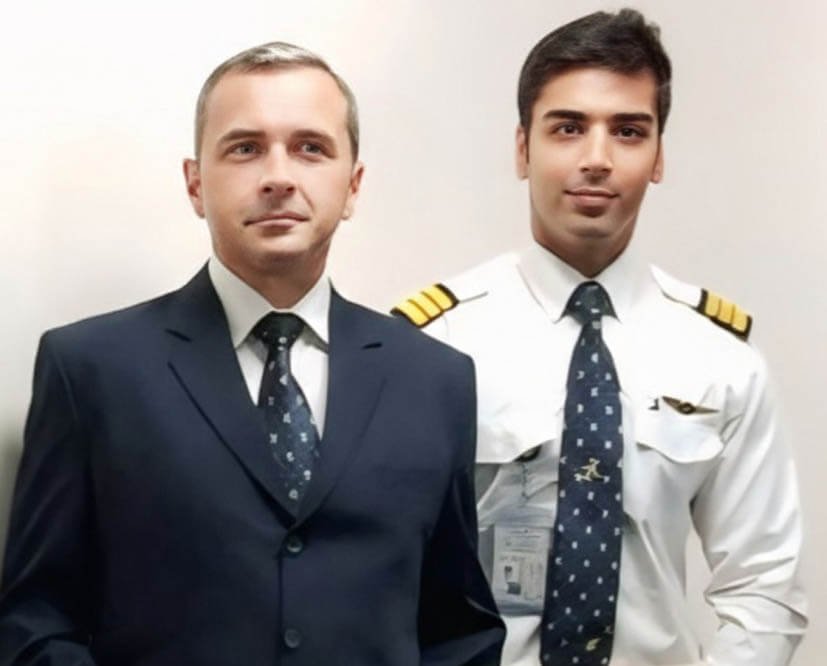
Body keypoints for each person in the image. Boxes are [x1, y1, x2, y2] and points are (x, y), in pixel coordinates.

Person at [0, 42, 504, 666]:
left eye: (310, 148)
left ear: (352, 186)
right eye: (245, 148)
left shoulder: (434, 379)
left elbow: (459, 628)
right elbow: (35, 620)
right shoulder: (90, 369)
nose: (278, 176)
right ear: (195, 184)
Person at [393, 9, 806, 666]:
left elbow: (764, 585)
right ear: (522, 149)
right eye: (567, 128)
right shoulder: (435, 343)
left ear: (658, 156)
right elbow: (382, 568)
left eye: (628, 131)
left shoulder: (719, 359)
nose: (596, 159)